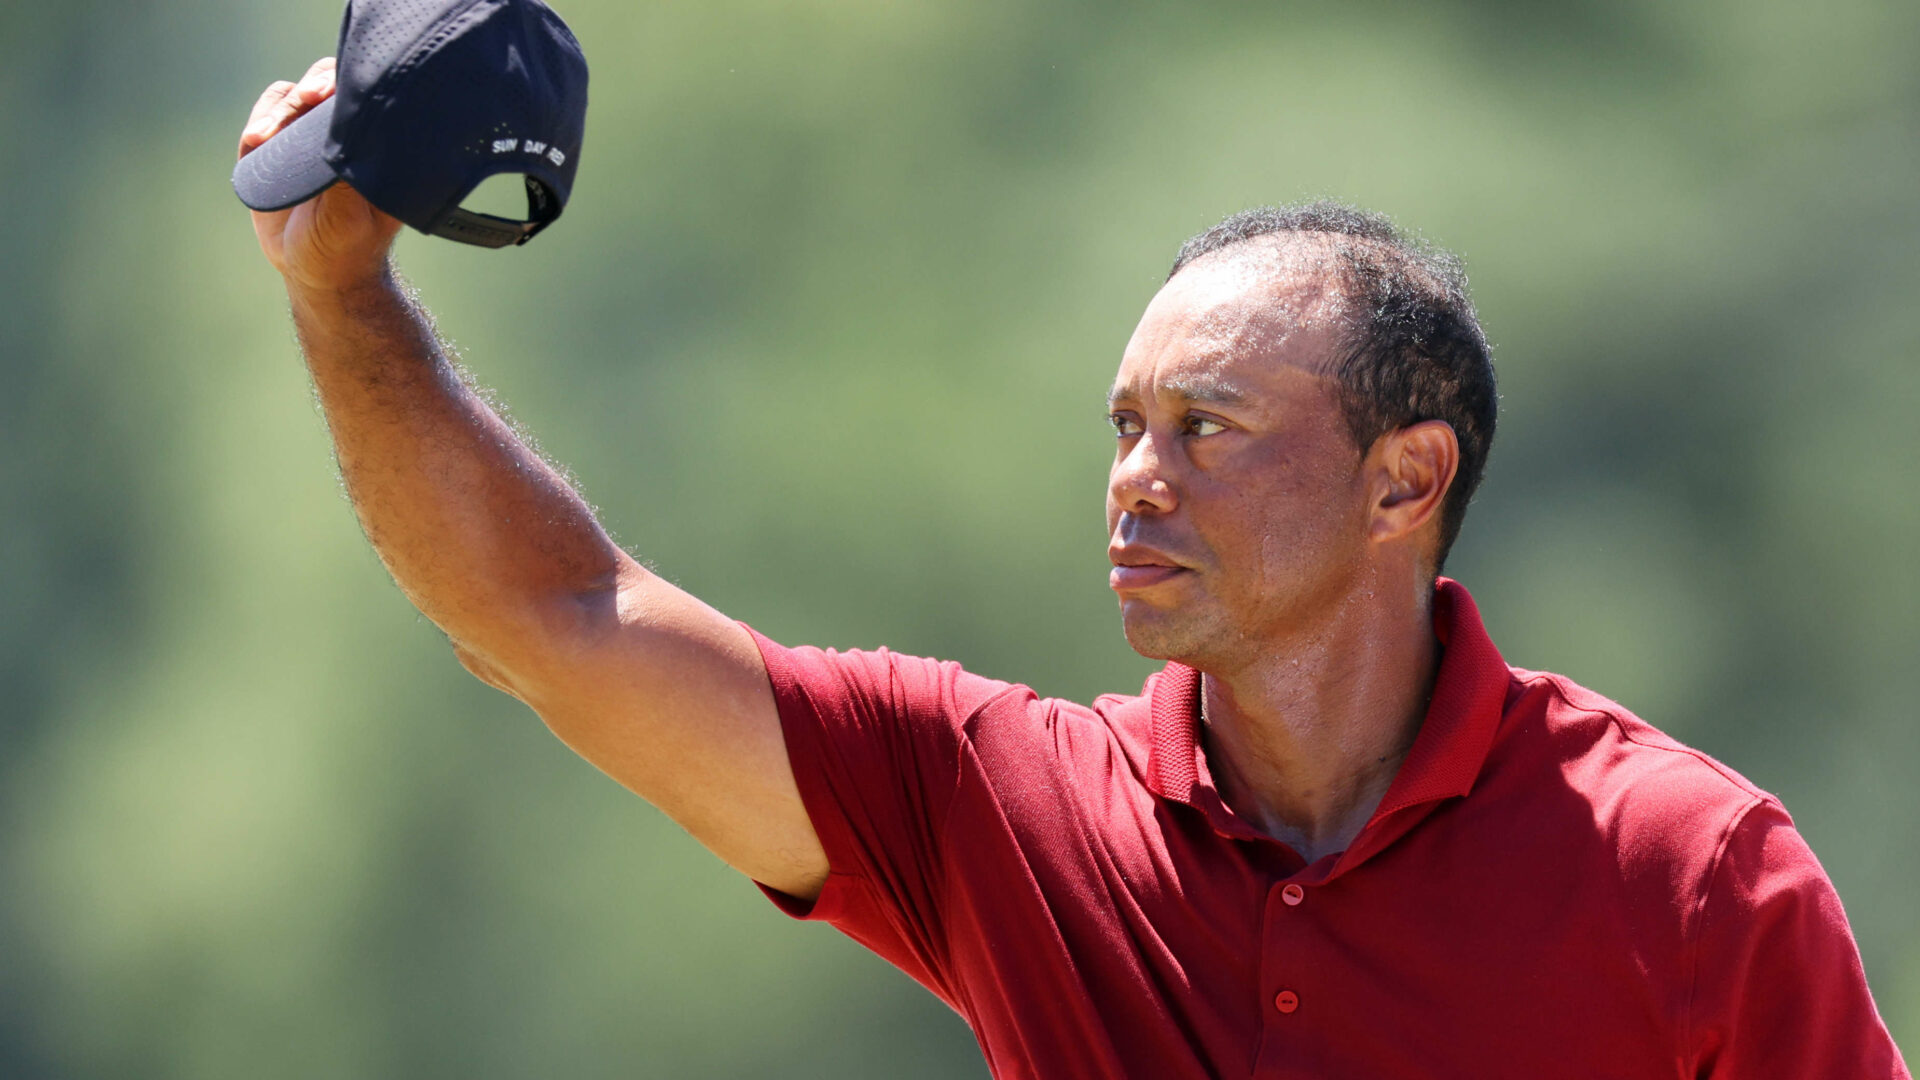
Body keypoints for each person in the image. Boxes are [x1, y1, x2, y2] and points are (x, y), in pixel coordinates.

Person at [239, 61, 1909, 1079]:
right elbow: (558, 619)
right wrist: (340, 296)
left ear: (1407, 482)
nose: (1133, 478)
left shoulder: (1689, 871)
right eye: (1122, 424)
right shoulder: (998, 807)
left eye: (1206, 427)